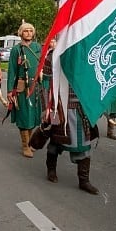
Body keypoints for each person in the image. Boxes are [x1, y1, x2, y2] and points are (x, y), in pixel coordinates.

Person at [41, 46, 99, 195]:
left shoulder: (85, 52)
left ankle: (84, 181)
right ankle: (51, 170)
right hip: (59, 106)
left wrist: (94, 105)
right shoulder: (53, 55)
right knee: (56, 141)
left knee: (84, 144)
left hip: (80, 107)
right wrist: (46, 108)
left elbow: (93, 79)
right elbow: (46, 81)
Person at [7, 22, 43, 158]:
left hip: (36, 86)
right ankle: (25, 145)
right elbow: (12, 71)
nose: (28, 33)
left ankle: (29, 142)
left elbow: (42, 65)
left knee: (33, 116)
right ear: (21, 33)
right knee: (24, 116)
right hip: (22, 87)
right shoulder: (16, 50)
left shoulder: (37, 47)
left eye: (30, 31)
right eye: (25, 31)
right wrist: (10, 90)